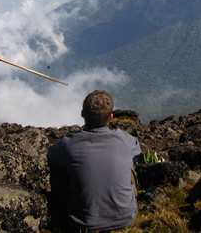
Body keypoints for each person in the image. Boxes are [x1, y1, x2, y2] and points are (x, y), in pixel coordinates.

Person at [47, 90, 141, 232]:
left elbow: (49, 155)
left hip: (83, 222)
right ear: (110, 117)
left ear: (82, 114)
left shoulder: (68, 144)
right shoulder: (125, 140)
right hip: (127, 218)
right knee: (130, 161)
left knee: (58, 164)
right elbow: (137, 149)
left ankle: (67, 205)